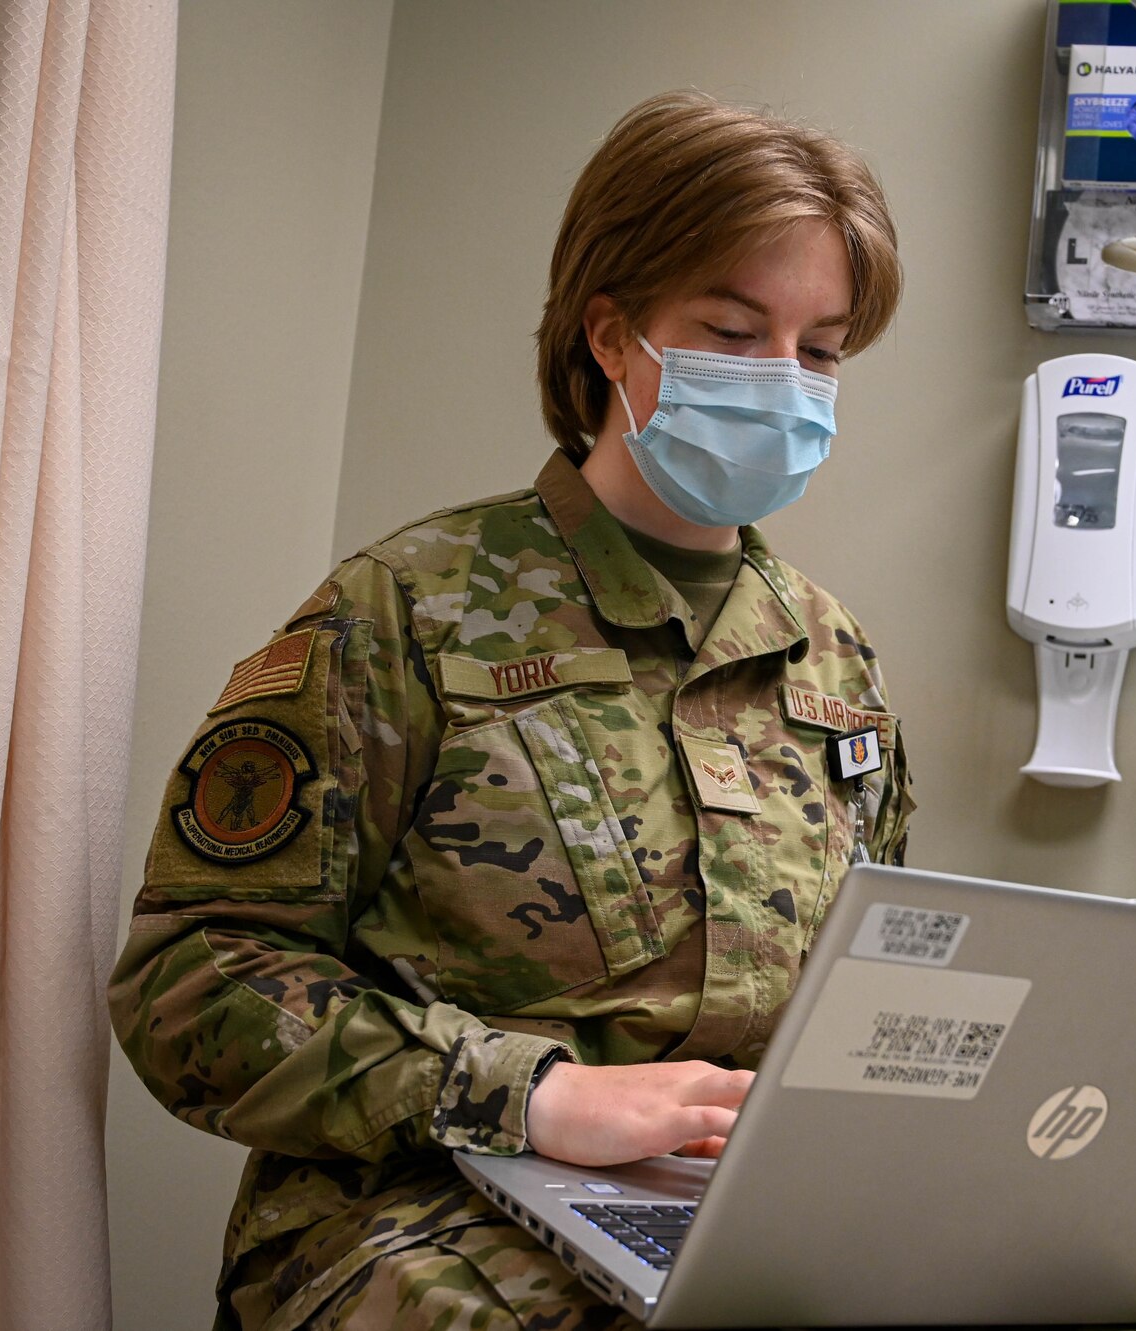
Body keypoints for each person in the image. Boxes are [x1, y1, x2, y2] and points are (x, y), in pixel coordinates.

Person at [110, 90, 914, 1331]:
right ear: (610, 333)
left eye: (817, 352)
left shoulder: (832, 660)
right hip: (431, 1203)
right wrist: (531, 1094)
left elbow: (874, 990)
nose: (782, 381)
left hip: (726, 1204)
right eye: (733, 331)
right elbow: (190, 982)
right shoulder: (407, 610)